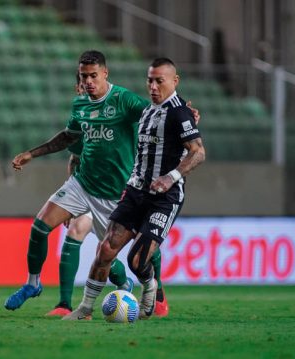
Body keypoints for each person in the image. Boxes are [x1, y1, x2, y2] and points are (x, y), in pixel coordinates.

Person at [4, 50, 156, 314]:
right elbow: (67, 137)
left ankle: (144, 287)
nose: (88, 81)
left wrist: (182, 114)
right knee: (40, 225)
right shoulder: (80, 104)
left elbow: (155, 114)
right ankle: (33, 283)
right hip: (82, 184)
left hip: (115, 194)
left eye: (93, 76)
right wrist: (32, 153)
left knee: (110, 253)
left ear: (105, 73)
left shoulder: (124, 100)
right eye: (84, 76)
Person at [63, 57, 205, 321]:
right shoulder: (148, 110)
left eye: (159, 81)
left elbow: (198, 152)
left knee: (137, 261)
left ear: (175, 81)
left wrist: (170, 177)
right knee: (106, 249)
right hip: (135, 190)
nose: (152, 86)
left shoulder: (179, 113)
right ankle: (84, 309)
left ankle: (150, 287)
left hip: (165, 197)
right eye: (149, 80)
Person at [46, 72, 170, 317]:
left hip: (127, 188)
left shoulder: (120, 110)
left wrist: (181, 114)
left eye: (91, 82)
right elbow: (75, 159)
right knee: (77, 232)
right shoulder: (82, 118)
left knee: (139, 242)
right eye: (82, 85)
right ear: (77, 88)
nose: (87, 88)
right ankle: (64, 304)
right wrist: (72, 201)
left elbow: (154, 118)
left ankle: (156, 290)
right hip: (91, 190)